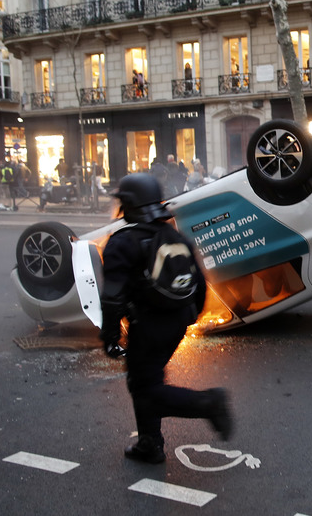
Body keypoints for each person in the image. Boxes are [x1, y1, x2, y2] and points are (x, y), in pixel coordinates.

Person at [99, 172, 233, 464]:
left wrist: (109, 335)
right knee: (146, 380)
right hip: (177, 322)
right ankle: (149, 444)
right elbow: (199, 284)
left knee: (145, 389)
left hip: (148, 325)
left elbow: (112, 297)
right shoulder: (174, 235)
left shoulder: (122, 242)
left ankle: (208, 403)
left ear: (129, 205)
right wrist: (187, 318)